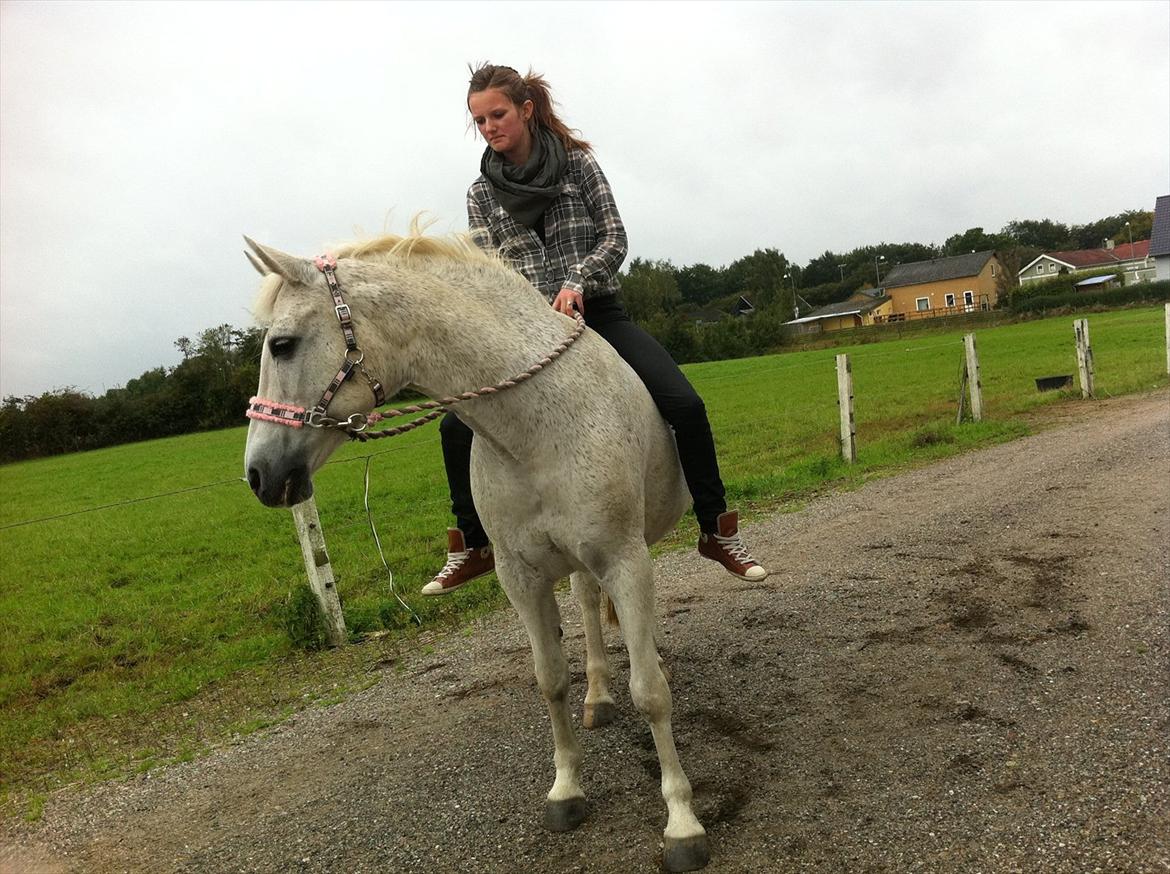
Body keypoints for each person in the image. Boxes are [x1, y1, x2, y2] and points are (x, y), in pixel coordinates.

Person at [421, 63, 766, 596]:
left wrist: (578, 280)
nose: (490, 127)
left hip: (599, 314)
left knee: (685, 405)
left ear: (526, 110)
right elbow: (487, 271)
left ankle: (716, 530)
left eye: (498, 114)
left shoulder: (578, 165)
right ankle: (474, 544)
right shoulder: (480, 194)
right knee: (452, 426)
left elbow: (615, 236)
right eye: (480, 120)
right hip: (528, 331)